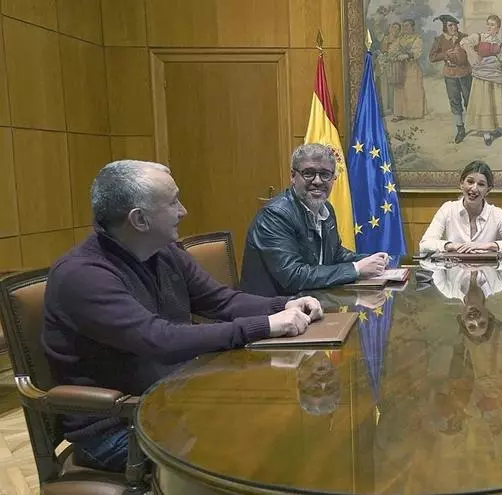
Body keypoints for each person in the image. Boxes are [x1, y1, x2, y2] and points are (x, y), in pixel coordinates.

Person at [42, 160, 324, 473]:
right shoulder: (82, 275)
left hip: (173, 399)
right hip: (118, 426)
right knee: (250, 447)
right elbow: (160, 340)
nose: (183, 211)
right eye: (173, 201)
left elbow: (220, 300)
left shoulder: (163, 251)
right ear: (139, 219)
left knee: (278, 421)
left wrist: (285, 304)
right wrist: (265, 326)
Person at [240, 143, 389, 296]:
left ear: (333, 178)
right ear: (293, 176)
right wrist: (356, 269)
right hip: (273, 306)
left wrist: (371, 260)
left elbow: (335, 254)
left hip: (312, 301)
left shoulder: (326, 209)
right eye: (308, 173)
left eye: (325, 174)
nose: (317, 181)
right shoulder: (275, 215)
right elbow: (293, 276)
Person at [419, 161, 502, 256]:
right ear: (461, 184)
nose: (474, 188)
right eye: (470, 182)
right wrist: (451, 246)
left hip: (487, 271)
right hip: (453, 271)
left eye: (481, 184)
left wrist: (487, 246)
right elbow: (425, 244)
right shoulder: (447, 209)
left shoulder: (496, 214)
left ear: (488, 190)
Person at [461, 15, 502, 146]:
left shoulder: (498, 42)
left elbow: (501, 58)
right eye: (488, 24)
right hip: (482, 73)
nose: (489, 27)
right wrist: (473, 54)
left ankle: (495, 127)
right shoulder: (479, 37)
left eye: (492, 25)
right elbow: (464, 42)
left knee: (495, 101)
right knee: (485, 102)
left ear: (498, 28)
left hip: (495, 74)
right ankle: (486, 132)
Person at [429, 14, 472, 143]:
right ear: (445, 27)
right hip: (450, 74)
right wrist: (445, 55)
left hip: (465, 72)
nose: (454, 28)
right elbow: (432, 57)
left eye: (455, 25)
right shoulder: (440, 40)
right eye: (450, 25)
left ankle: (475, 124)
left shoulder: (464, 37)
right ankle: (460, 128)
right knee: (454, 101)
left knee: (469, 99)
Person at [391, 19, 427, 121]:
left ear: (412, 27)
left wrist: (406, 55)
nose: (405, 28)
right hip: (401, 68)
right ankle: (399, 113)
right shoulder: (400, 39)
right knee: (400, 90)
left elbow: (417, 52)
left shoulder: (417, 39)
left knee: (412, 89)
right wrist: (395, 55)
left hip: (412, 67)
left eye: (407, 26)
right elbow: (393, 48)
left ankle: (414, 113)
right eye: (404, 26)